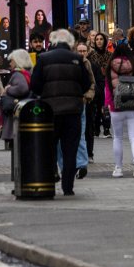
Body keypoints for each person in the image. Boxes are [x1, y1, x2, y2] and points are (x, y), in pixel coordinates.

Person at [30, 30, 91, 196]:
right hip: (73, 111)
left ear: (53, 42)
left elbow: (35, 85)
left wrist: (45, 94)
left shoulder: (43, 59)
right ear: (70, 42)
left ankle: (50, 179)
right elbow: (86, 84)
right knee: (70, 149)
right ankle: (68, 186)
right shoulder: (77, 59)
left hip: (51, 111)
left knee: (49, 147)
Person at [106, 46, 134, 177]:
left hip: (116, 106)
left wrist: (108, 104)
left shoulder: (110, 66)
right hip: (133, 105)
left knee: (118, 138)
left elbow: (108, 87)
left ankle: (118, 168)